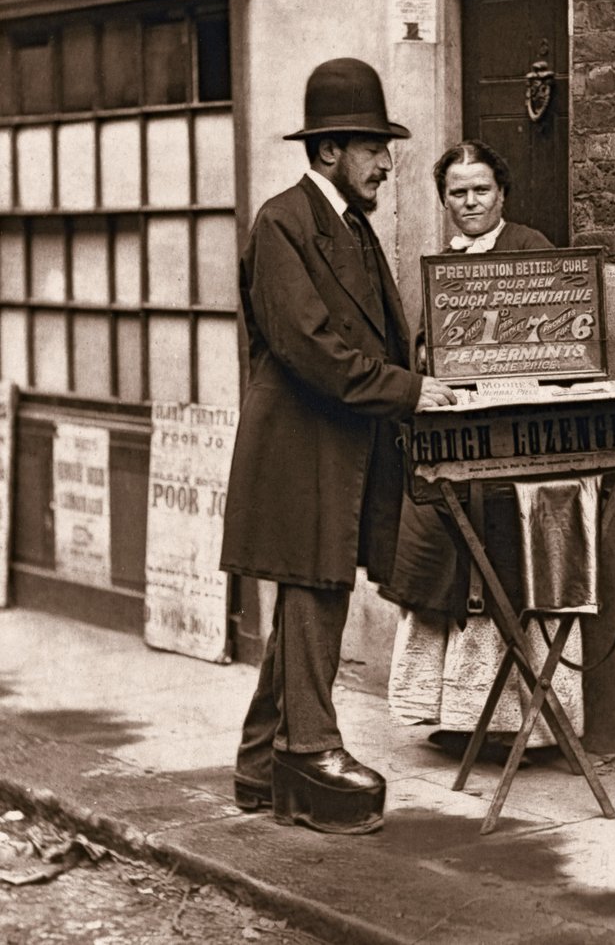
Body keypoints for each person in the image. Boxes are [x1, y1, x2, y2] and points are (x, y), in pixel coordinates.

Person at [220, 58, 455, 836]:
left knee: (310, 591)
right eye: (373, 148)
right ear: (328, 152)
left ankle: (261, 766)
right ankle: (308, 750)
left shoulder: (349, 226)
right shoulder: (284, 221)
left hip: (340, 444)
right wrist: (410, 391)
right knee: (312, 588)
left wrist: (419, 384)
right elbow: (310, 347)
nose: (387, 163)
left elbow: (373, 335)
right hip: (300, 445)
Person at [384, 139, 586, 754]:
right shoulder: (443, 263)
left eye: (480, 191)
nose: (469, 202)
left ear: (502, 194)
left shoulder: (531, 251)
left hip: (517, 446)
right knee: (447, 558)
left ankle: (518, 726)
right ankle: (459, 717)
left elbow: (564, 342)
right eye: (457, 193)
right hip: (457, 441)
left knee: (509, 568)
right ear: (443, 200)